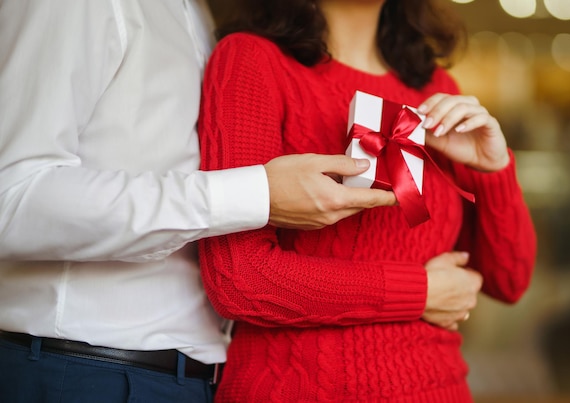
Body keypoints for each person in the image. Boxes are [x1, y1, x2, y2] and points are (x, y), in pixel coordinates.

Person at [0, 1, 398, 402]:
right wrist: (255, 194)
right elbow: (10, 196)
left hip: (195, 377)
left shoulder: (199, 16)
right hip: (80, 369)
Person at [197, 0, 537, 401]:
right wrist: (421, 292)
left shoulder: (436, 90)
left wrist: (494, 169)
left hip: (437, 387)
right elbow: (239, 280)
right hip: (296, 389)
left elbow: (509, 281)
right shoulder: (252, 60)